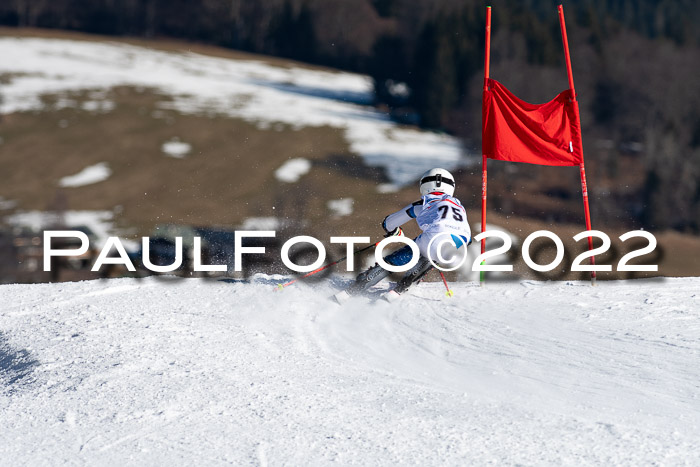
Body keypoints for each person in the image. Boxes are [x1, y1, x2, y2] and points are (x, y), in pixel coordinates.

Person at [334, 168, 471, 303]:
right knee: (431, 254)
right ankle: (402, 287)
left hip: (435, 237)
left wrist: (394, 232)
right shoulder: (459, 206)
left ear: (424, 185)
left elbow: (389, 222)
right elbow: (467, 238)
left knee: (405, 255)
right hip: (460, 243)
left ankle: (358, 286)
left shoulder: (425, 203)